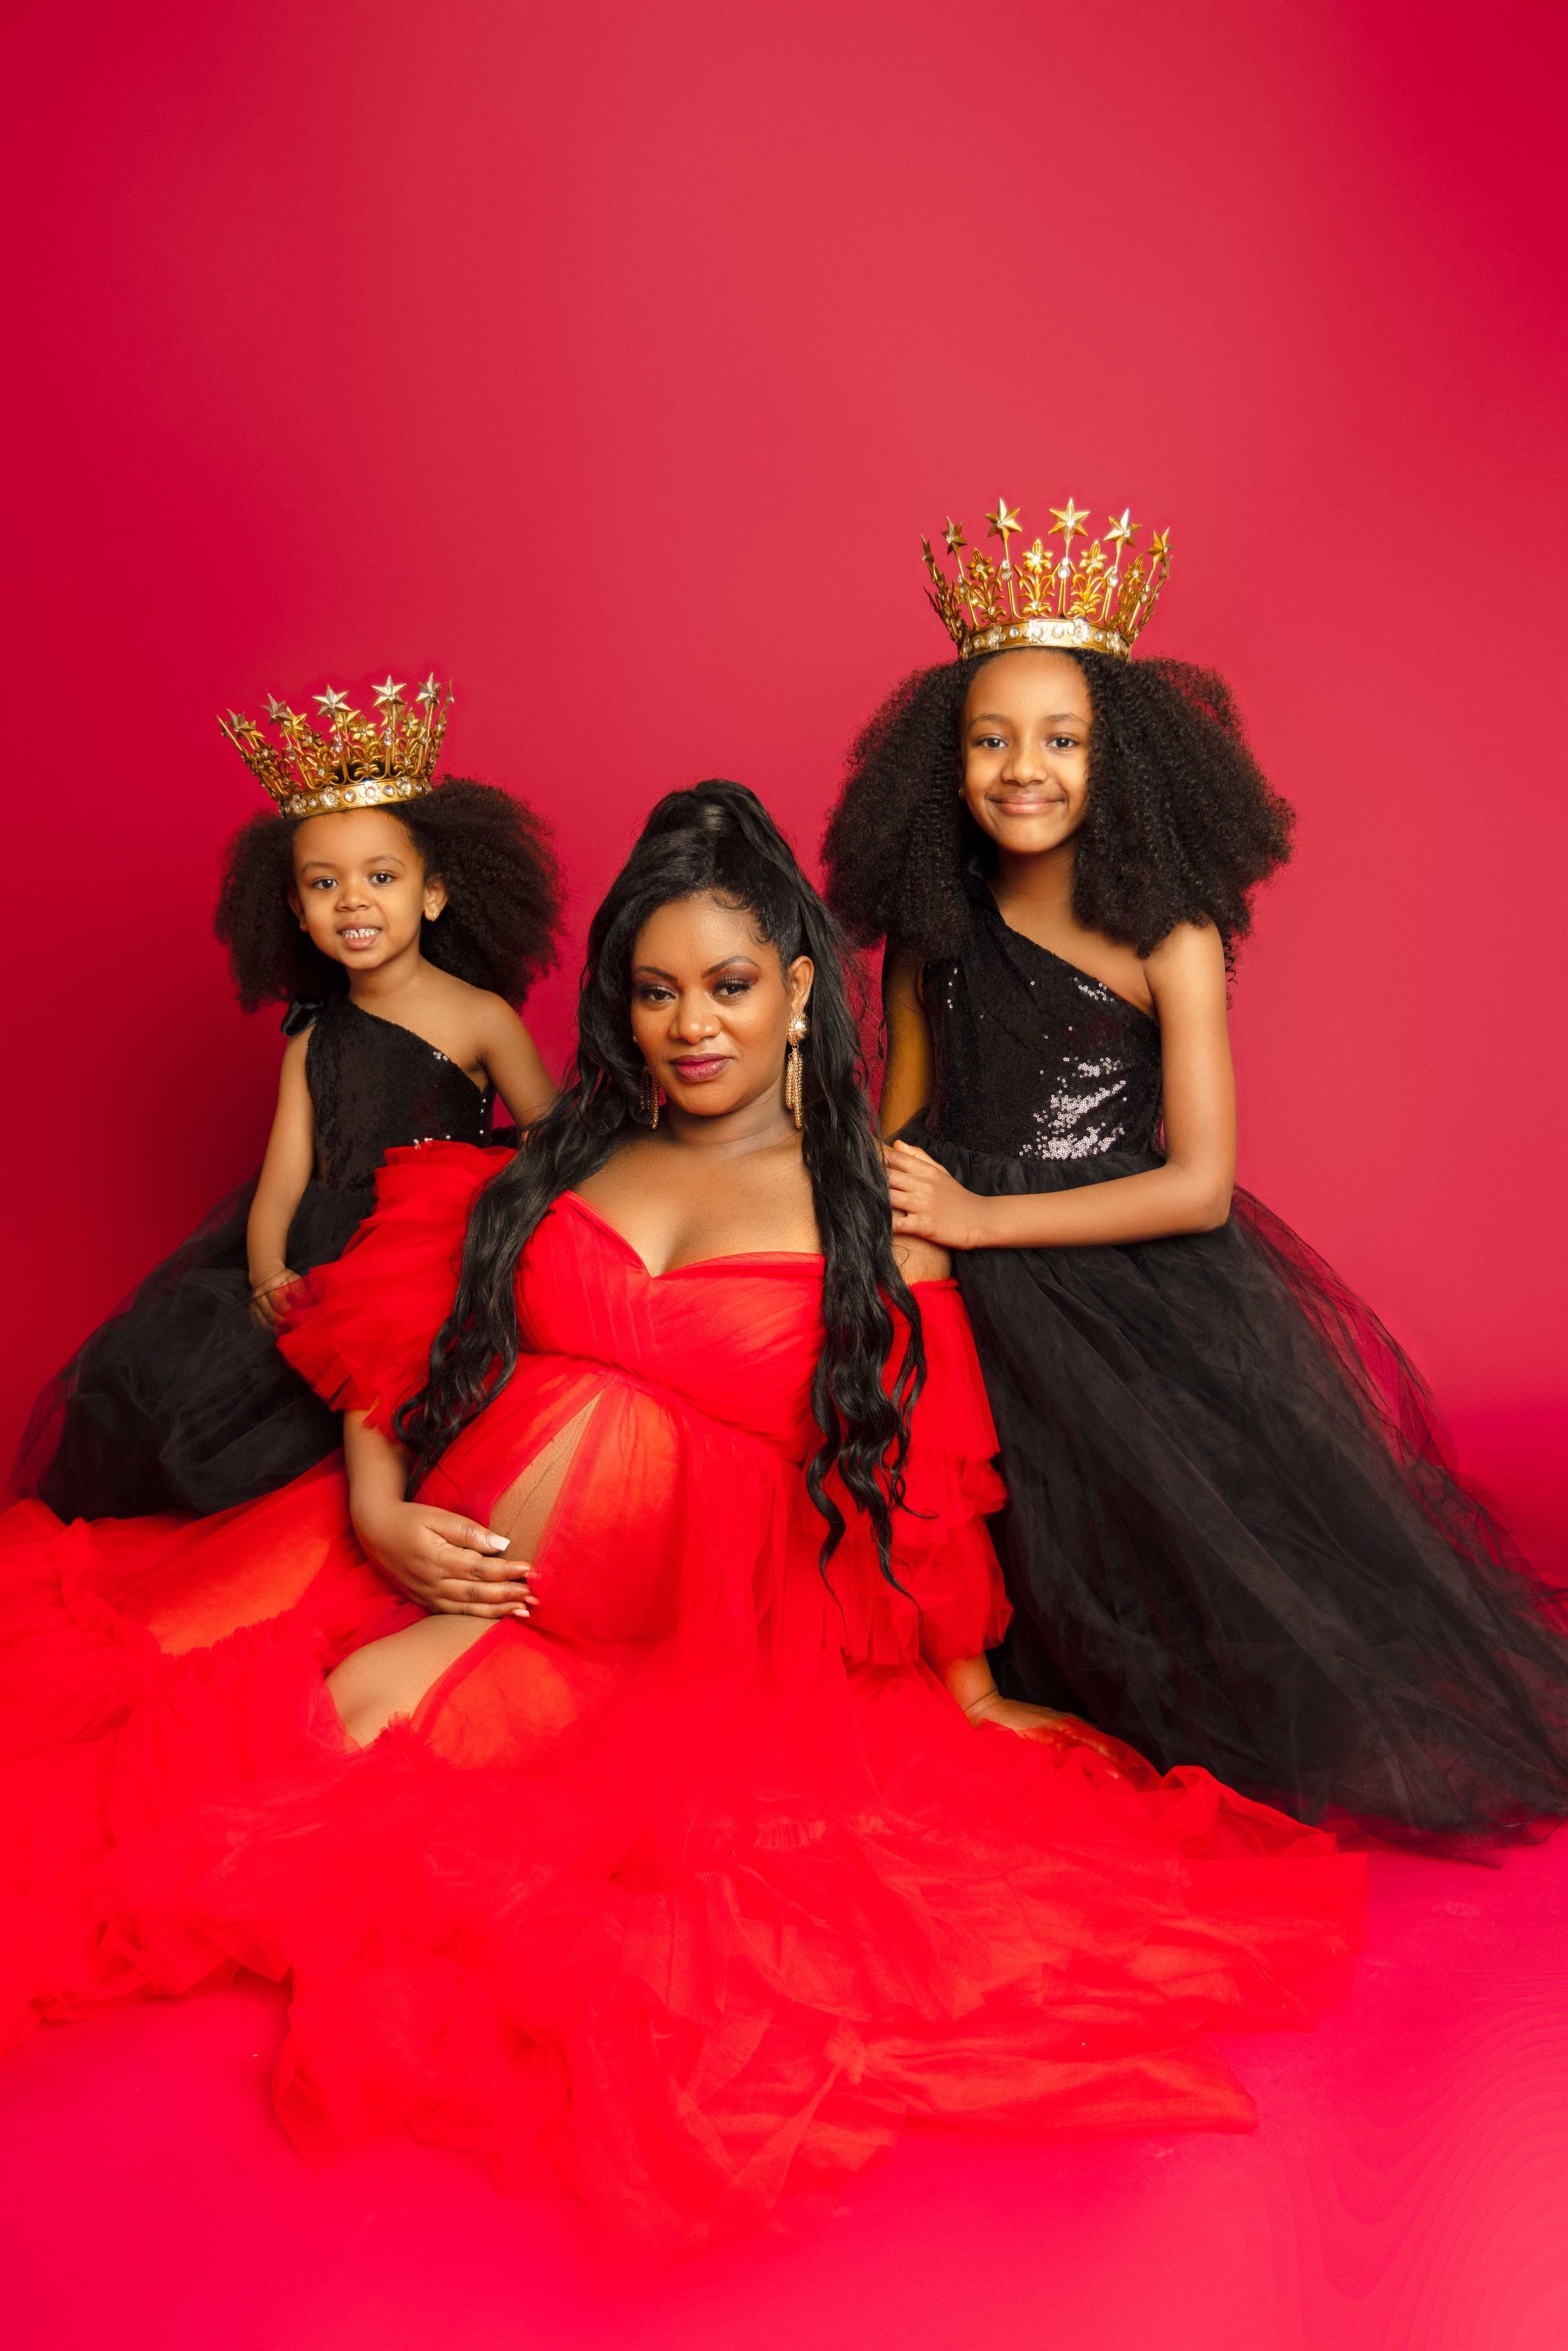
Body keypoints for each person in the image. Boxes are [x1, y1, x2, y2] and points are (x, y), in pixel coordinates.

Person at [0, 783, 1361, 2257]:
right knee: (244, 1771)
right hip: (485, 1602)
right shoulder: (563, 1158)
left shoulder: (877, 1210)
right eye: (655, 991)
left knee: (589, 1923)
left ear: (798, 991)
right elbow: (392, 1328)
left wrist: (969, 1687)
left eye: (726, 985)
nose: (691, 1025)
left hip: (707, 1666)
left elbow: (919, 1471)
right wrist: (385, 1513)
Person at [822, 494, 1568, 1846]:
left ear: (1125, 760)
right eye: (990, 739)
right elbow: (903, 1128)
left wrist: (984, 1217)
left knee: (1155, 1575)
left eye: (1061, 739)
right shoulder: (932, 928)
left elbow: (1201, 1184)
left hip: (1112, 1267)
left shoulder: (1168, 934)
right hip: (946, 1259)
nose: (1023, 768)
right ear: (944, 763)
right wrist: (885, 1220)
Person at [16, 675, 561, 1521]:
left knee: (406, 1394)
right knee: (180, 1395)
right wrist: (269, 1268)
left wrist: (496, 1219)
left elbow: (552, 1137)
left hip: (433, 1256)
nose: (353, 899)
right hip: (324, 1260)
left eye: (381, 875)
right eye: (323, 883)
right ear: (297, 911)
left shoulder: (480, 1016)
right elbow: (282, 1178)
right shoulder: (312, 1038)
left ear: (433, 893)